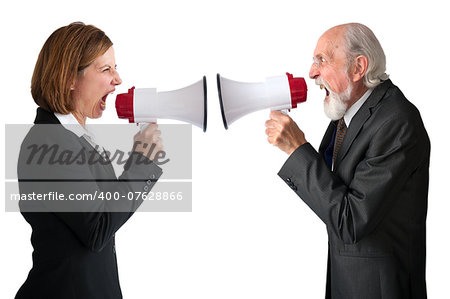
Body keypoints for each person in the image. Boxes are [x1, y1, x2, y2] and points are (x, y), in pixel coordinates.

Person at [265, 23, 430, 299]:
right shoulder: (350, 113)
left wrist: (297, 149)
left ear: (358, 67)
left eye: (322, 60)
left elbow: (351, 220)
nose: (311, 72)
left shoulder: (397, 122)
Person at [16, 22, 163, 299]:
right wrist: (142, 161)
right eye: (106, 69)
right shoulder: (49, 142)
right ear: (70, 78)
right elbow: (97, 229)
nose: (117, 80)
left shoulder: (76, 137)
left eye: (115, 68)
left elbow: (103, 213)